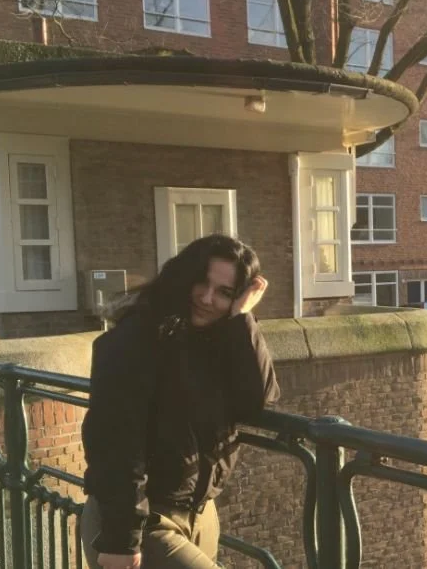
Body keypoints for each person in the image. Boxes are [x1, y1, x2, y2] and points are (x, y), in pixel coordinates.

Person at [80, 235, 280, 569]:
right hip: (142, 519)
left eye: (225, 293)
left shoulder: (221, 341)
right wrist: (121, 538)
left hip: (201, 515)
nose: (207, 298)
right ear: (183, 278)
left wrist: (242, 319)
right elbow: (114, 441)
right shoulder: (136, 338)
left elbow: (257, 401)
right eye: (201, 283)